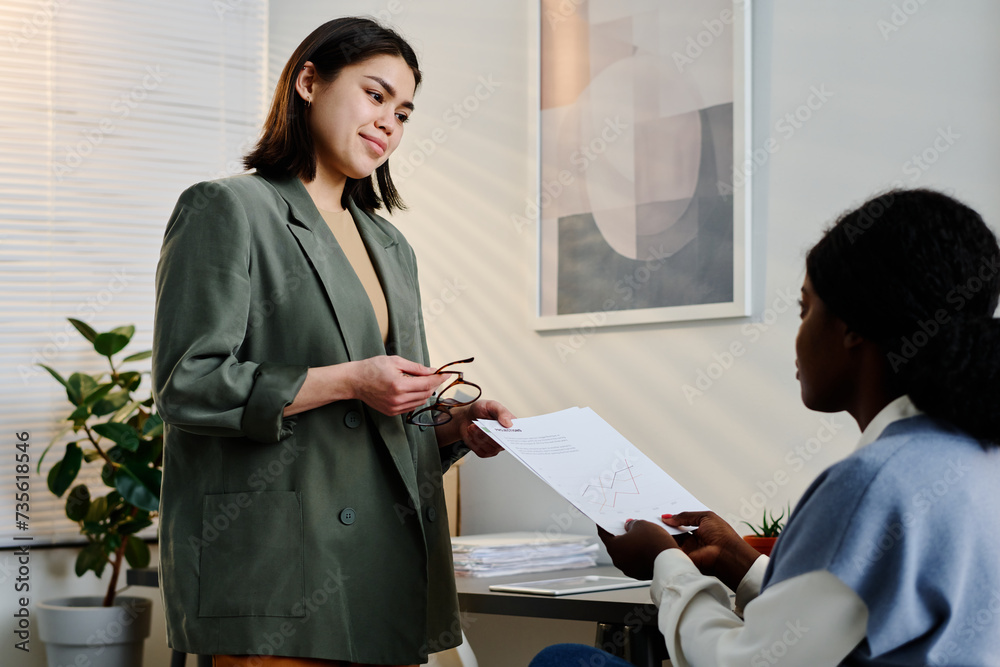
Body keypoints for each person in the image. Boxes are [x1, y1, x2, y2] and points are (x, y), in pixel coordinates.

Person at [152, 17, 513, 667]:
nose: (389, 123)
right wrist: (348, 378)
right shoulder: (229, 208)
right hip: (275, 574)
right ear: (309, 81)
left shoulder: (391, 247)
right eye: (375, 96)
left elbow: (382, 421)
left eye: (403, 112)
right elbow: (188, 384)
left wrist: (455, 426)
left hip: (382, 572)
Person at [530, 188, 1000, 666]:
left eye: (804, 309)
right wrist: (738, 561)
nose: (797, 335)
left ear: (852, 326)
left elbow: (745, 663)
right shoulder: (975, 456)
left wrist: (664, 564)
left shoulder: (872, 484)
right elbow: (834, 624)